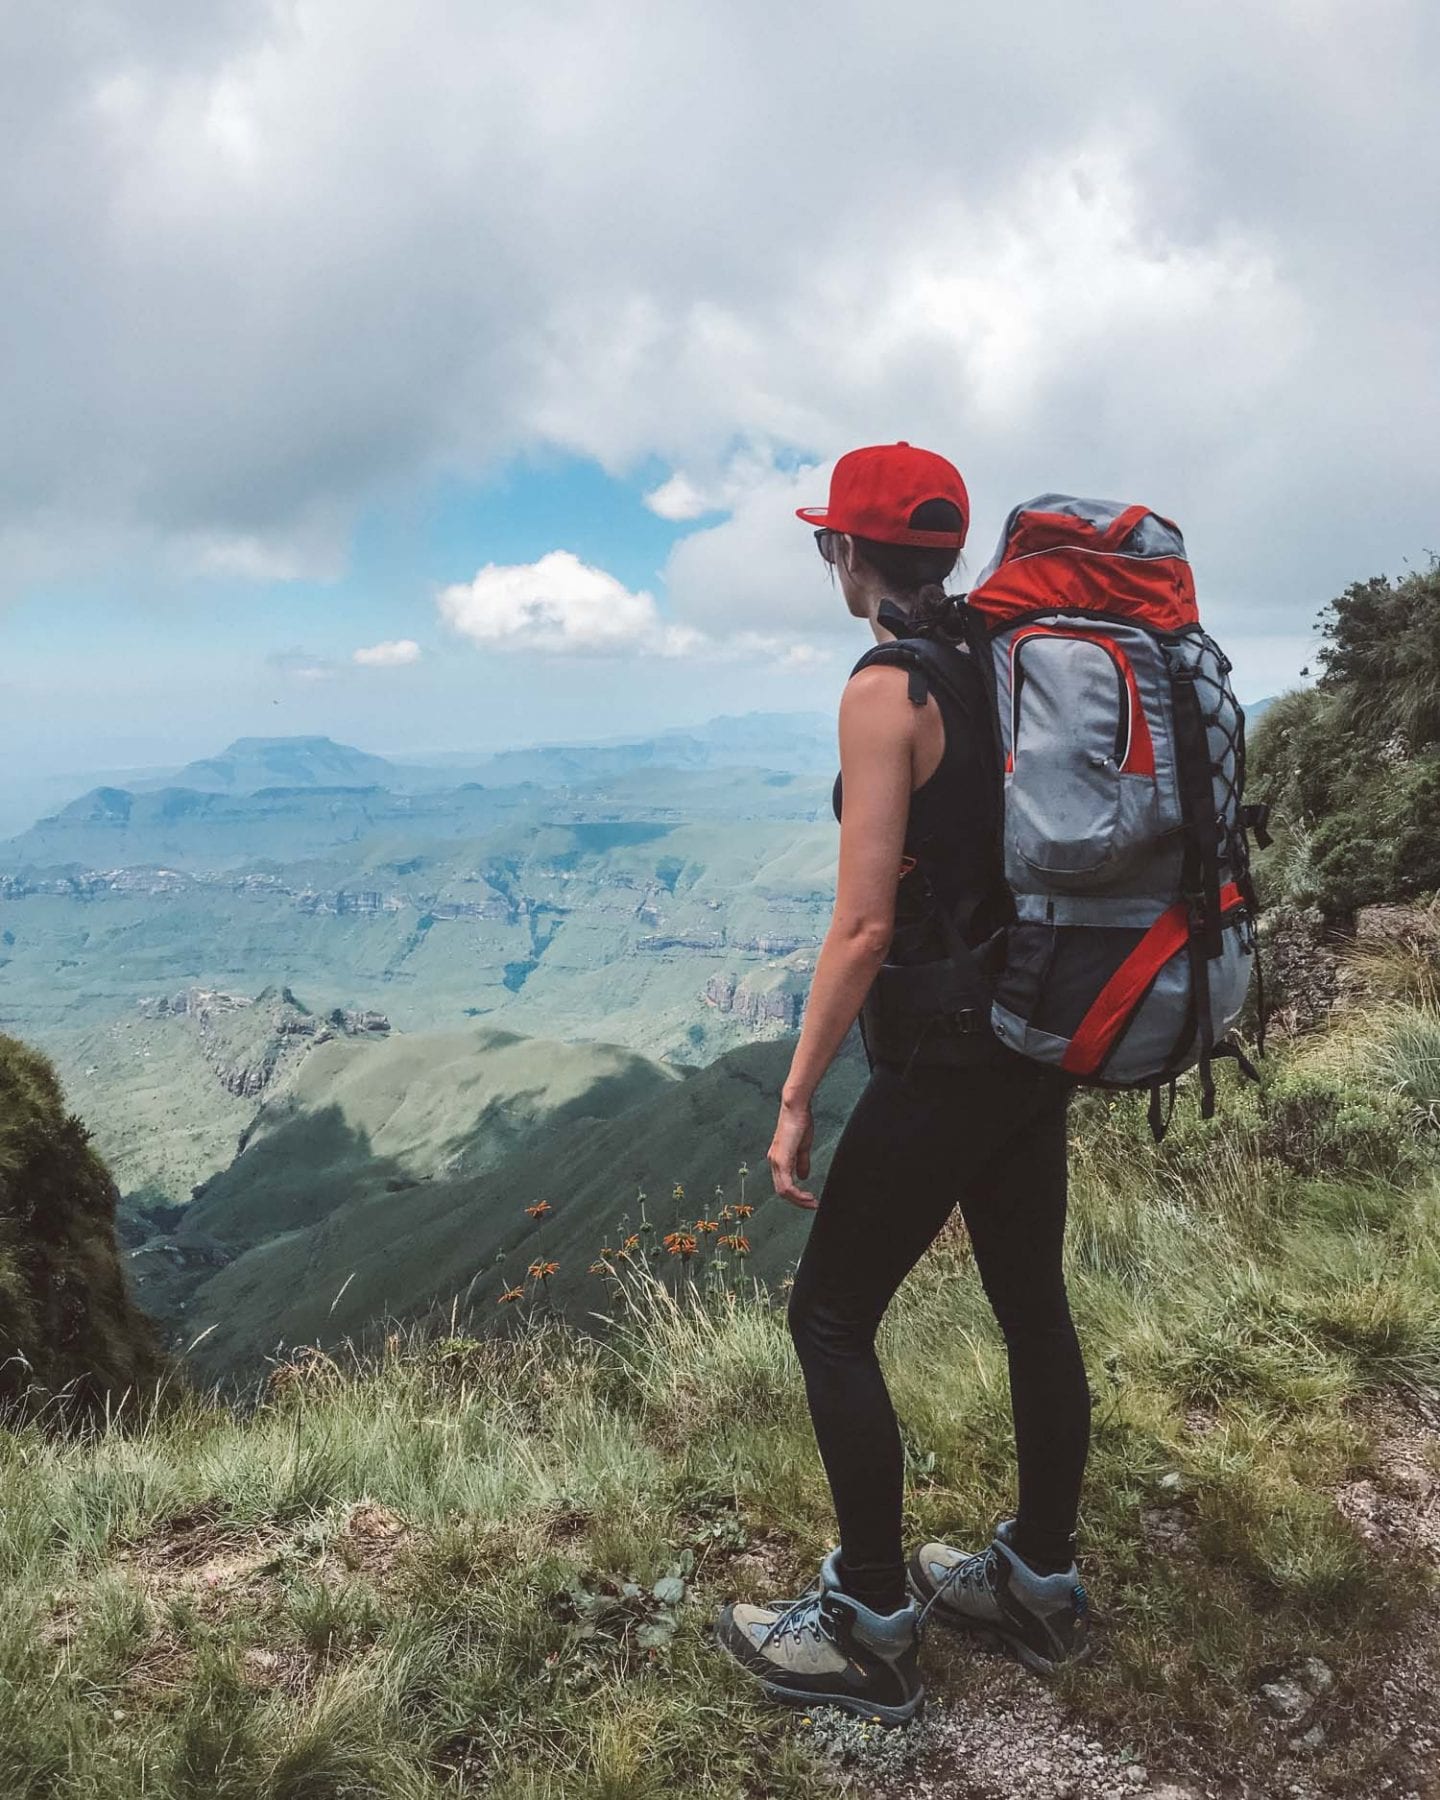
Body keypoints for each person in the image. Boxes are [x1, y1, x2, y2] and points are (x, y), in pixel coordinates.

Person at [713, 442, 1092, 1724]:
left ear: (853, 554)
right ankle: (1041, 1579)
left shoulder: (888, 688)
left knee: (827, 1319)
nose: (832, 557)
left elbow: (864, 927)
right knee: (1032, 1303)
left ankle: (871, 1623)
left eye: (831, 540)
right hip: (1037, 1042)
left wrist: (796, 1091)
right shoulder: (1008, 658)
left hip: (943, 1055)